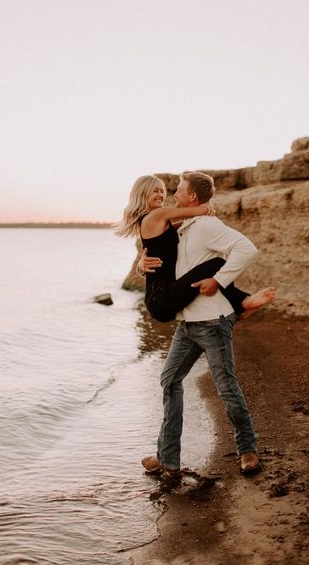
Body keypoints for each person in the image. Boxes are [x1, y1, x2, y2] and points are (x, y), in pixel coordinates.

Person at [119, 172, 275, 477]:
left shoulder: (205, 225)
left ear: (191, 197)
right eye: (165, 191)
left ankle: (248, 449)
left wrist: (218, 280)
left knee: (226, 386)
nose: (172, 195)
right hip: (187, 322)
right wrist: (142, 266)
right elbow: (166, 262)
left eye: (177, 191)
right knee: (170, 381)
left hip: (212, 322)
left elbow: (246, 248)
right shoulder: (181, 227)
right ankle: (167, 458)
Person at [115, 174, 274, 323]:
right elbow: (193, 212)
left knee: (214, 265)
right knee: (217, 263)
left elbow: (184, 225)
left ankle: (240, 306)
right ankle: (242, 303)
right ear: (142, 193)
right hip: (161, 297)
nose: (161, 194)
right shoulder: (158, 215)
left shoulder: (160, 222)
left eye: (162, 191)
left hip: (161, 297)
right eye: (155, 191)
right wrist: (206, 208)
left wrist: (140, 266)